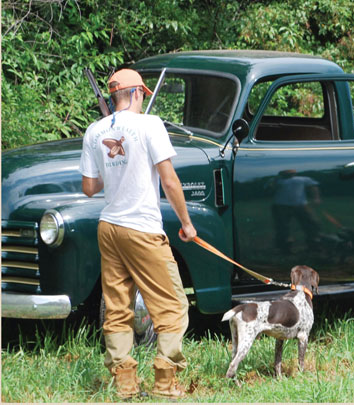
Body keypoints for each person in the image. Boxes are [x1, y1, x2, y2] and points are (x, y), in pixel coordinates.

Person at [79, 69, 197, 399]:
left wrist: (116, 166)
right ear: (135, 94)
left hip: (109, 228)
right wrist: (187, 224)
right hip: (142, 229)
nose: (144, 99)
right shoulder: (150, 125)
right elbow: (170, 180)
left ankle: (125, 384)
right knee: (173, 306)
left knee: (118, 310)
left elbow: (89, 187)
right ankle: (164, 382)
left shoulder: (94, 131)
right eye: (142, 95)